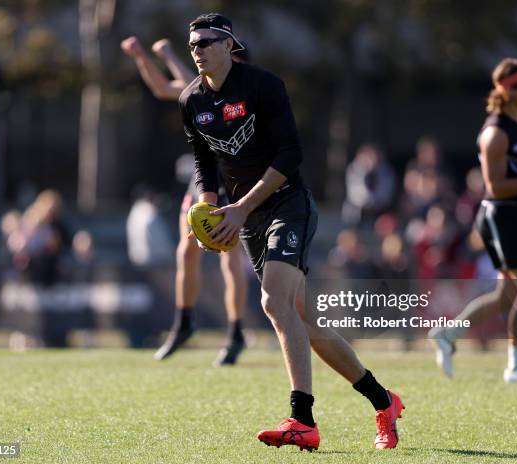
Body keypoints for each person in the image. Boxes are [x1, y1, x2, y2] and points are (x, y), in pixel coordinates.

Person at [179, 13, 404, 450]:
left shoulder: (263, 86)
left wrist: (241, 208)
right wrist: (209, 214)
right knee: (305, 322)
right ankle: (383, 400)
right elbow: (205, 161)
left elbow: (291, 154)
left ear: (229, 45)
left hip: (287, 204)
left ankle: (302, 419)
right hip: (248, 216)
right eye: (192, 44)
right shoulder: (191, 101)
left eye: (207, 41)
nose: (198, 50)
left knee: (272, 301)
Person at [121, 34, 249, 365]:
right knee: (186, 253)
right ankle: (185, 323)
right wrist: (141, 57)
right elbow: (165, 88)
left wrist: (164, 53)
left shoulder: (242, 94)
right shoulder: (203, 91)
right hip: (200, 181)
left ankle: (235, 332)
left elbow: (186, 81)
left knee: (229, 260)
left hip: (231, 183)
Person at [430, 58, 517, 384]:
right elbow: (496, 187)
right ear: (511, 90)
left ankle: (448, 334)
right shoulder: (494, 134)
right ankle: (516, 366)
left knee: (508, 295)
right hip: (500, 214)